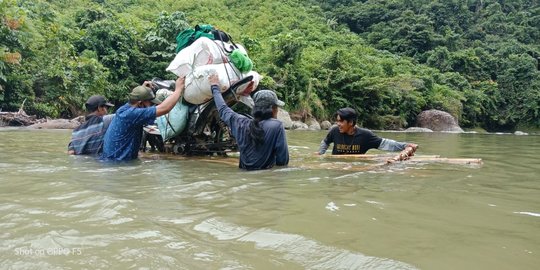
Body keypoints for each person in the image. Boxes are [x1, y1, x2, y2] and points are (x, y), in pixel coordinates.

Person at [209, 73, 289, 170]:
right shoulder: (276, 126)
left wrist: (214, 86)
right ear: (272, 109)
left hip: (242, 174)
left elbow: (222, 108)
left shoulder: (239, 122)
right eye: (277, 108)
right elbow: (282, 161)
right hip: (265, 179)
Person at [101, 77, 185, 161]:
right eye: (151, 104)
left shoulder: (124, 110)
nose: (153, 106)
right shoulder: (131, 114)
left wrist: (143, 90)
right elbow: (165, 108)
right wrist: (178, 89)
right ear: (140, 104)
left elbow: (137, 99)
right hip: (118, 164)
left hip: (113, 161)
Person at [317, 107, 418, 156]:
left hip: (356, 169)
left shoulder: (365, 135)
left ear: (351, 122)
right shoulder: (335, 131)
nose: (338, 124)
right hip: (336, 167)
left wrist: (405, 145)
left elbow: (385, 143)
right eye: (337, 121)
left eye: (341, 121)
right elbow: (325, 142)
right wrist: (319, 154)